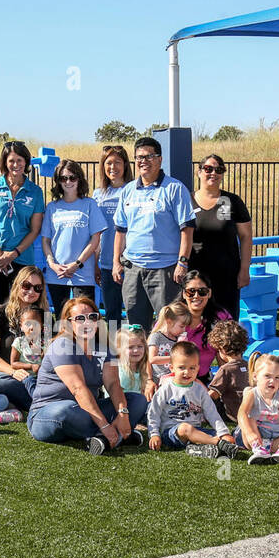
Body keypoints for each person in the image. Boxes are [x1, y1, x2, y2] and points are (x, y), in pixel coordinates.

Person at [27, 296, 148, 455]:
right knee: (66, 410)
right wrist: (104, 425)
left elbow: (113, 384)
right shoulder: (62, 345)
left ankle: (104, 438)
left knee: (138, 400)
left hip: (87, 411)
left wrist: (123, 413)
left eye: (92, 317)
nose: (87, 322)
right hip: (49, 413)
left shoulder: (105, 347)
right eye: (80, 319)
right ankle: (116, 435)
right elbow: (78, 388)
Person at [113, 136, 196, 330]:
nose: (144, 161)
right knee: (136, 328)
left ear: (159, 159)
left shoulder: (175, 189)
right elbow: (120, 231)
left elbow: (187, 229)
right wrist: (116, 262)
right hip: (133, 270)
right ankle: (141, 361)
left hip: (165, 270)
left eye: (149, 156)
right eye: (139, 157)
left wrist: (182, 263)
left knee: (169, 327)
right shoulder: (127, 191)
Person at [0, 141, 45, 308]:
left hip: (22, 259)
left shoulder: (36, 191)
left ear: (26, 162)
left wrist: (13, 254)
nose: (16, 165)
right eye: (11, 161)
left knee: (22, 308)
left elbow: (35, 229)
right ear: (5, 162)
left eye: (20, 160)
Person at [146, 341, 238, 459]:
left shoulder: (200, 390)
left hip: (196, 431)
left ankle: (198, 449)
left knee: (229, 439)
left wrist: (223, 433)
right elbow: (153, 413)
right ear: (172, 367)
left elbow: (212, 414)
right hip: (171, 433)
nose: (187, 372)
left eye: (192, 368)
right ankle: (218, 444)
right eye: (182, 367)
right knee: (185, 428)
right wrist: (154, 434)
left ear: (198, 368)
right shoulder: (165, 389)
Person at [190, 153, 253, 321]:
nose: (213, 173)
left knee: (227, 326)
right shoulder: (187, 200)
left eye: (219, 170)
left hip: (226, 276)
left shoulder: (232, 201)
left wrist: (244, 269)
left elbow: (246, 237)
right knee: (196, 324)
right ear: (199, 172)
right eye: (208, 169)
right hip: (195, 275)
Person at [0, 265, 48, 411]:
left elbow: (47, 353)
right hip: (7, 375)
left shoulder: (45, 317)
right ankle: (42, 404)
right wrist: (14, 372)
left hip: (38, 375)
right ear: (17, 285)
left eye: (37, 288)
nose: (31, 291)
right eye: (26, 285)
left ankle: (30, 402)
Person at [41, 159, 104, 315]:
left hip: (83, 274)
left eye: (72, 177)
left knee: (84, 318)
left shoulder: (90, 204)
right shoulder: (52, 207)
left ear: (79, 179)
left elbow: (95, 239)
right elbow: (45, 241)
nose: (68, 182)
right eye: (63, 178)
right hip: (57, 274)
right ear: (58, 181)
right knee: (61, 320)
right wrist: (53, 265)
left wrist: (77, 264)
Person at [236, 353, 279, 470]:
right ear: (255, 376)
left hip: (275, 438)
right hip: (255, 437)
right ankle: (259, 450)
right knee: (249, 419)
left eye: (277, 377)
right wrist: (250, 433)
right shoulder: (252, 393)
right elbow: (242, 414)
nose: (272, 381)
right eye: (267, 376)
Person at [93, 145, 131, 324]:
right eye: (108, 163)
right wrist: (95, 262)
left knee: (134, 314)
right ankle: (114, 351)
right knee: (112, 315)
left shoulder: (133, 190)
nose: (113, 167)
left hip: (131, 263)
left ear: (125, 165)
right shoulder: (97, 194)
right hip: (107, 264)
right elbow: (96, 233)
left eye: (117, 162)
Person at [174, 270, 233, 380]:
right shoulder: (173, 315)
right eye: (190, 291)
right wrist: (149, 380)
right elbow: (154, 343)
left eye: (202, 291)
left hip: (202, 378)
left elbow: (228, 353)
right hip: (173, 378)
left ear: (209, 293)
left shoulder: (220, 317)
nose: (196, 296)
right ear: (183, 293)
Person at [206, 319, 249, 421]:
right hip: (249, 412)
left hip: (232, 414)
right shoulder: (248, 365)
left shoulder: (226, 369)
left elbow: (213, 394)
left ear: (222, 349)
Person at [148, 302, 190, 381]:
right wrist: (174, 358)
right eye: (181, 326)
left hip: (174, 376)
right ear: (169, 322)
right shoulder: (157, 336)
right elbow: (152, 359)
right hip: (159, 378)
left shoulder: (177, 338)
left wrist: (182, 346)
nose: (184, 330)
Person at [115, 324, 155, 401]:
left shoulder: (142, 369)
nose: (136, 350)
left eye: (140, 346)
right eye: (130, 347)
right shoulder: (120, 372)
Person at [9, 305, 46, 376]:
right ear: (21, 326)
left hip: (42, 377)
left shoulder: (45, 343)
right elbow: (14, 363)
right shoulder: (19, 341)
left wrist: (41, 352)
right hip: (25, 376)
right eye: (28, 324)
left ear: (42, 326)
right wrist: (31, 366)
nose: (32, 327)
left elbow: (48, 362)